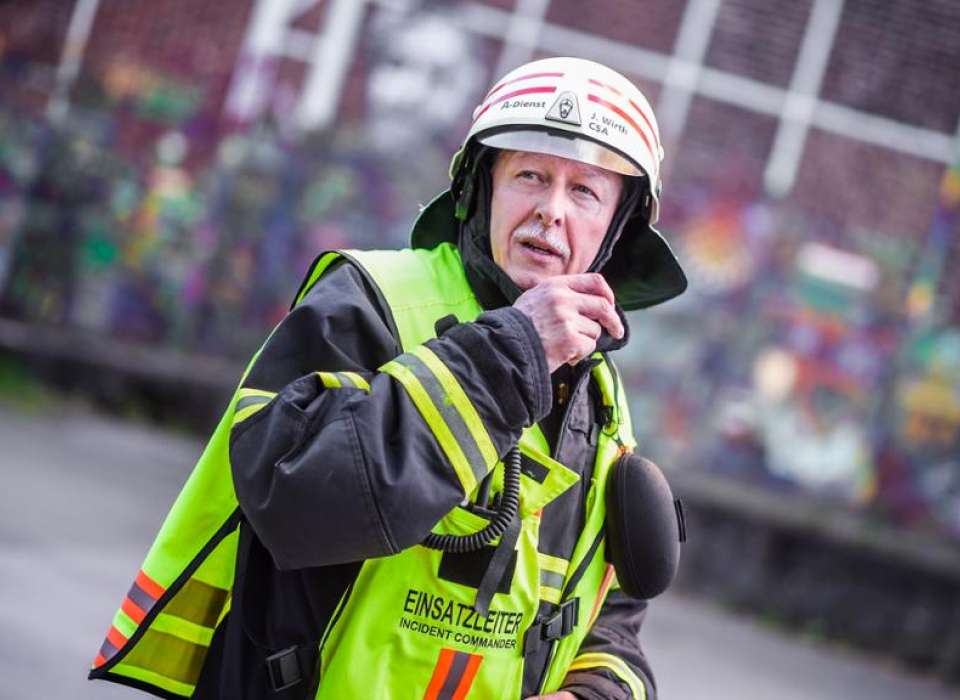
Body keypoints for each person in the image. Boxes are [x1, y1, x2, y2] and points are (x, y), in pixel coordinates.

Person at [90, 56, 687, 699]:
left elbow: (607, 614)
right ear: (480, 187)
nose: (550, 210)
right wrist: (513, 352)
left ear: (617, 228)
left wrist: (596, 693)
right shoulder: (368, 302)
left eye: (585, 191)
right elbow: (298, 501)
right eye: (530, 176)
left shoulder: (599, 396)